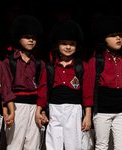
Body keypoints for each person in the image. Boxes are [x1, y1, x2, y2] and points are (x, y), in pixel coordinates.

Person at [35, 20, 93, 150]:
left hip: (74, 110)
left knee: (73, 145)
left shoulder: (82, 66)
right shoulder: (49, 67)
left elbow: (87, 93)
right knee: (53, 144)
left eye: (72, 44)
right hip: (54, 109)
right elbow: (43, 90)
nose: (68, 47)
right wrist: (39, 111)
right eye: (64, 43)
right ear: (56, 45)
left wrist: (87, 116)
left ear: (77, 45)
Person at [3, 15, 45, 150]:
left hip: (34, 108)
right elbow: (5, 89)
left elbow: (43, 88)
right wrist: (6, 111)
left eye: (34, 37)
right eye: (27, 36)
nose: (31, 40)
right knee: (14, 144)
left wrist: (41, 110)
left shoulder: (39, 63)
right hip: (15, 107)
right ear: (18, 38)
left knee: (33, 145)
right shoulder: (9, 62)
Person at [88, 15, 122, 150]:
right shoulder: (96, 61)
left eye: (119, 34)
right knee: (102, 146)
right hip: (101, 112)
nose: (118, 38)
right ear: (103, 39)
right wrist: (88, 114)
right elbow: (89, 89)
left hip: (120, 111)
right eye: (113, 35)